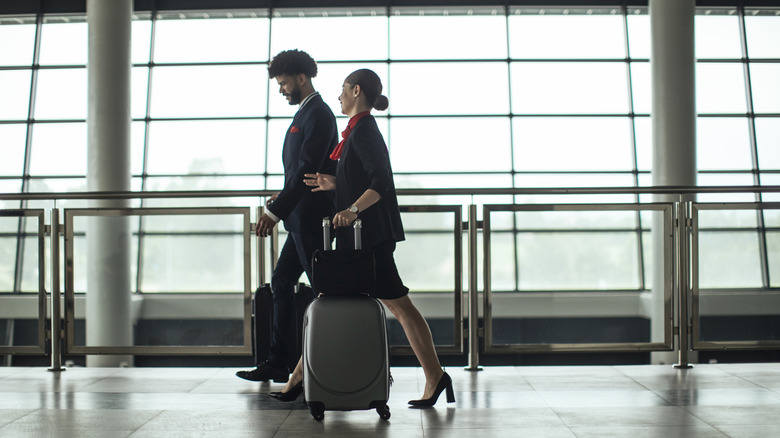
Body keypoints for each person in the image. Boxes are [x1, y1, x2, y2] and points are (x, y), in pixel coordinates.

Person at [270, 68, 454, 407]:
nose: (339, 96)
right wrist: (335, 184)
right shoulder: (356, 132)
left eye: (343, 90)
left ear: (356, 91)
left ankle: (434, 376)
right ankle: (298, 379)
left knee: (388, 305)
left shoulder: (365, 129)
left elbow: (381, 181)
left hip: (369, 237)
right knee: (357, 301)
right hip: (364, 238)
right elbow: (364, 177)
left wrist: (352, 209)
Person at [235, 49, 338, 383]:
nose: (281, 90)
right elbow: (299, 173)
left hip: (310, 220)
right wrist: (283, 198)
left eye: (283, 83)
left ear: (301, 79)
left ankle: (331, 362)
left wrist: (273, 211)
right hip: (299, 218)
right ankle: (280, 362)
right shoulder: (305, 114)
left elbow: (308, 170)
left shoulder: (318, 115)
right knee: (281, 283)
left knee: (325, 291)